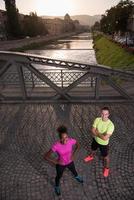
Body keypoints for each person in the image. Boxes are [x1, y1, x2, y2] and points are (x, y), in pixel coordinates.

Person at [44, 125, 83, 196]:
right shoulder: (56, 146)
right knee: (58, 176)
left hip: (70, 162)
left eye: (66, 137)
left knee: (74, 171)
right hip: (61, 165)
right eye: (63, 138)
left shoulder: (71, 141)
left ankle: (77, 177)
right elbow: (46, 156)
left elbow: (78, 145)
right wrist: (56, 162)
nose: (65, 139)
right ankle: (57, 186)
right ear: (60, 139)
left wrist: (73, 155)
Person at [84, 107, 114, 177]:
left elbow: (105, 138)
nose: (104, 116)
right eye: (102, 114)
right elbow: (92, 130)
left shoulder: (111, 125)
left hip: (104, 144)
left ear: (108, 114)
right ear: (101, 113)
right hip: (95, 140)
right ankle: (91, 157)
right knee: (93, 149)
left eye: (106, 114)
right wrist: (99, 134)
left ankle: (107, 168)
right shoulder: (97, 119)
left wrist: (97, 132)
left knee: (105, 157)